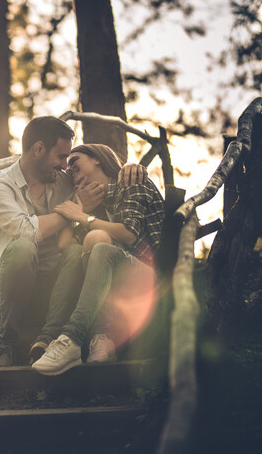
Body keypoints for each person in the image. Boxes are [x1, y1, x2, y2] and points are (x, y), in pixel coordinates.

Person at [0, 117, 144, 367]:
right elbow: (26, 230)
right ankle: (7, 342)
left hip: (57, 289)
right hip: (9, 293)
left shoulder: (63, 180)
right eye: (60, 156)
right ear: (38, 149)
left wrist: (130, 167)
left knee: (74, 251)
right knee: (23, 247)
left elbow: (100, 177)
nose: (65, 165)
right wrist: (78, 208)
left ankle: (50, 339)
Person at [31, 143, 165, 375]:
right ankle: (100, 338)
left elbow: (129, 234)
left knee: (100, 243)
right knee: (87, 244)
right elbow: (65, 246)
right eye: (67, 168)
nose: (69, 169)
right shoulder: (89, 201)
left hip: (147, 277)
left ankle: (71, 337)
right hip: (113, 285)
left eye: (75, 162)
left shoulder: (131, 181)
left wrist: (82, 216)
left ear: (97, 159)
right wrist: (80, 209)